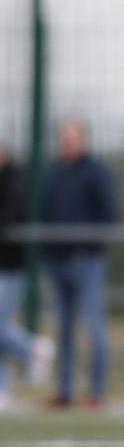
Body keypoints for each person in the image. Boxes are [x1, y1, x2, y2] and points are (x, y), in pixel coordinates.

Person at [42, 119, 118, 408]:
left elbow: (109, 214)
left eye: (72, 137)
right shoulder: (56, 172)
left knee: (94, 326)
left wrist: (89, 247)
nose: (67, 142)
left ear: (84, 139)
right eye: (63, 137)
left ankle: (96, 391)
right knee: (63, 328)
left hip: (87, 262)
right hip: (58, 260)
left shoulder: (97, 172)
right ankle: (64, 390)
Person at [0, 140, 53, 410]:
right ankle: (3, 387)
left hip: (11, 265)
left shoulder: (17, 179)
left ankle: (30, 348)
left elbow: (13, 217)